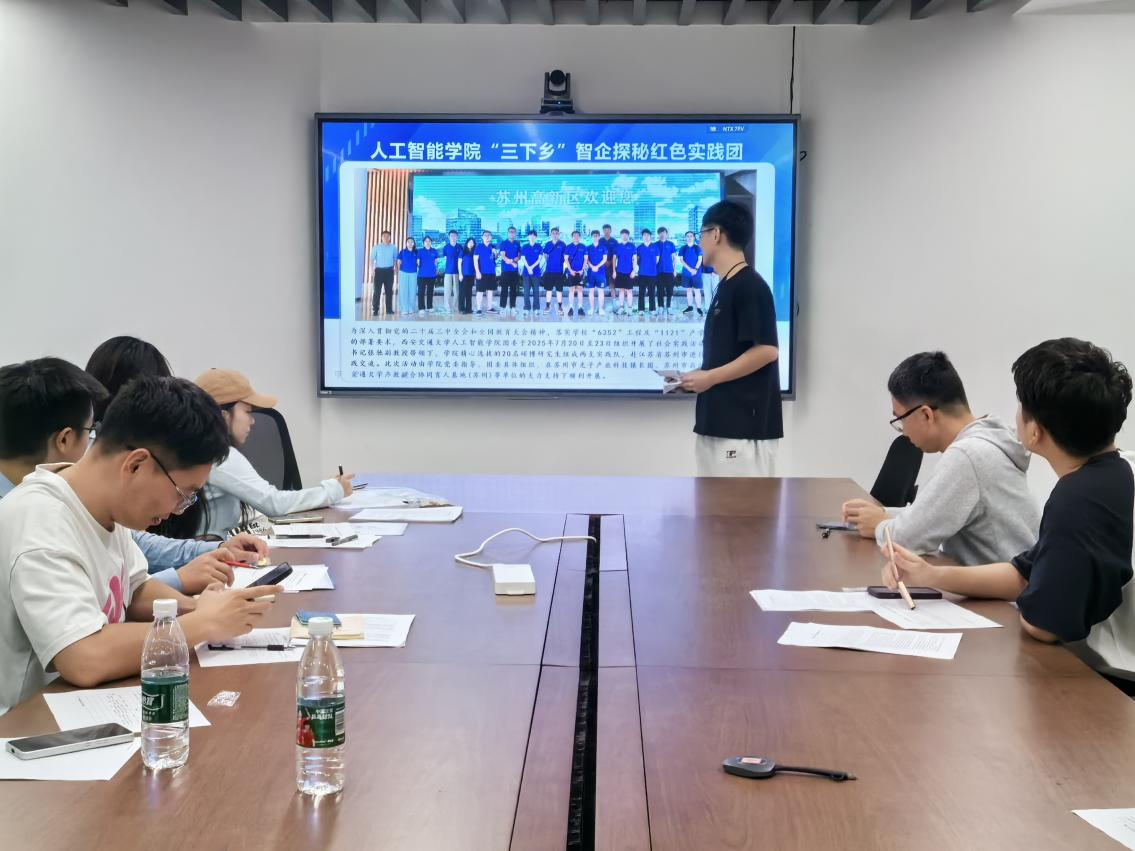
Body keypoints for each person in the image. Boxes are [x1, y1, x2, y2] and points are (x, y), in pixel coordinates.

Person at [0, 375, 281, 715]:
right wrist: (202, 624)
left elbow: (134, 591)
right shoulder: (41, 520)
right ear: (135, 464)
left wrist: (202, 609)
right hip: (27, 725)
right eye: (183, 494)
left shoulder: (102, 506)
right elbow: (84, 658)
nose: (178, 509)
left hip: (82, 708)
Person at [883, 339, 1135, 692]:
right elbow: (1023, 572)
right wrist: (930, 575)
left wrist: (1034, 599)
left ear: (1035, 430)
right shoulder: (1117, 470)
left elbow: (1043, 626)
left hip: (1104, 682)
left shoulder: (1077, 498)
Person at [83, 338, 269, 585]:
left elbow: (135, 572)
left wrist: (213, 552)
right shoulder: (54, 527)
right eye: (182, 493)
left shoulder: (111, 513)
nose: (175, 510)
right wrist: (182, 581)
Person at [842, 352, 1040, 565]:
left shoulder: (968, 456)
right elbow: (931, 515)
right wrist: (882, 513)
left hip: (1002, 587)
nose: (903, 431)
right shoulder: (987, 441)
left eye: (900, 420)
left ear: (926, 414)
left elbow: (908, 539)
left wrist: (878, 527)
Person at [680, 201, 782, 477]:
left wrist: (710, 377)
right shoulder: (726, 285)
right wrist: (697, 376)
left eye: (701, 234)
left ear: (716, 234)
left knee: (739, 506)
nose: (699, 242)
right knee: (711, 504)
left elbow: (767, 350)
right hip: (717, 424)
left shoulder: (750, 286)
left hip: (741, 429)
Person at [194, 368, 354, 537]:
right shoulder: (220, 457)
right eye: (248, 412)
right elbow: (273, 503)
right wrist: (333, 490)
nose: (252, 421)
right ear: (224, 416)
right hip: (208, 549)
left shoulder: (200, 450)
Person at [370, 230, 396, 318]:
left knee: (389, 291)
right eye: (384, 236)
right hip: (379, 271)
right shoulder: (376, 247)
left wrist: (395, 269)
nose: (386, 238)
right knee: (377, 291)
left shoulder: (393, 248)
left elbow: (395, 259)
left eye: (388, 236)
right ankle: (375, 310)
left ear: (390, 237)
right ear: (381, 237)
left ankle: (389, 309)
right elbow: (371, 259)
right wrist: (371, 270)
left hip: (389, 271)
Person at [634, 228, 659, 316]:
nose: (646, 236)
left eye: (648, 235)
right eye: (644, 235)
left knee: (652, 292)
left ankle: (652, 309)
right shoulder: (639, 248)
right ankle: (641, 309)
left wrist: (650, 266)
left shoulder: (655, 247)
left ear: (650, 236)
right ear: (642, 237)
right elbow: (636, 260)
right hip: (642, 274)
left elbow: (657, 260)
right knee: (641, 292)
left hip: (652, 274)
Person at [611, 229, 637, 317]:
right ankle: (621, 307)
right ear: (621, 236)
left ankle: (629, 308)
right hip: (619, 271)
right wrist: (614, 271)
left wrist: (634, 271)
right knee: (621, 290)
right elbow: (614, 259)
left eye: (626, 234)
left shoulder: (632, 246)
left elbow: (635, 259)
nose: (624, 236)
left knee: (629, 291)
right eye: (623, 234)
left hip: (629, 272)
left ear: (628, 236)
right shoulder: (617, 247)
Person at [679, 231, 705, 315]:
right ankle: (690, 307)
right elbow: (681, 260)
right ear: (685, 238)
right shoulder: (683, 248)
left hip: (696, 273)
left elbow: (700, 259)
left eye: (691, 236)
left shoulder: (697, 248)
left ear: (694, 237)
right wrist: (690, 269)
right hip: (686, 273)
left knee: (697, 290)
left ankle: (699, 308)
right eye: (687, 236)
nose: (689, 238)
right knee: (689, 290)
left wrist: (695, 269)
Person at [497, 226, 521, 317]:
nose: (512, 233)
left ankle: (513, 307)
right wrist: (512, 263)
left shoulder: (517, 243)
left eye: (513, 232)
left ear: (515, 233)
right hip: (506, 271)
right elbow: (503, 256)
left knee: (514, 290)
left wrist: (517, 258)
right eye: (510, 232)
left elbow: (519, 255)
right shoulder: (504, 243)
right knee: (504, 290)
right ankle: (502, 308)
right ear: (508, 233)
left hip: (514, 271)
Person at [543, 227, 567, 315]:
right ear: (551, 234)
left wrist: (559, 263)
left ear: (558, 234)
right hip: (549, 271)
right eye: (553, 233)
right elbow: (545, 255)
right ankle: (547, 306)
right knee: (548, 290)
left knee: (559, 290)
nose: (555, 235)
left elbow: (565, 257)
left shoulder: (562, 244)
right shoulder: (548, 244)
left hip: (559, 271)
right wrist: (550, 262)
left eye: (556, 233)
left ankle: (560, 306)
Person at [520, 230, 543, 318]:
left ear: (536, 237)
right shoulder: (524, 246)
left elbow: (539, 259)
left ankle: (536, 308)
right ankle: (527, 308)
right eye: (530, 235)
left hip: (536, 272)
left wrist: (532, 267)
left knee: (536, 291)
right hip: (526, 273)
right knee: (526, 291)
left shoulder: (539, 246)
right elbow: (523, 258)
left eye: (533, 235)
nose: (532, 237)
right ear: (528, 237)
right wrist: (528, 268)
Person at [474, 230, 497, 316]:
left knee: (490, 290)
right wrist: (477, 271)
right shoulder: (478, 247)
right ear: (482, 237)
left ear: (491, 237)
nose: (487, 237)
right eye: (485, 235)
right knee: (480, 291)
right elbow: (475, 260)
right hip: (481, 273)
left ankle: (489, 308)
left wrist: (495, 253)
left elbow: (495, 257)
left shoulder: (493, 247)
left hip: (491, 272)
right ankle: (478, 309)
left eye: (489, 235)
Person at [656, 226, 678, 316]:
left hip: (669, 271)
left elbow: (674, 258)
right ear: (658, 234)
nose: (662, 234)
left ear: (666, 233)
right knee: (660, 290)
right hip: (658, 271)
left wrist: (675, 269)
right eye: (660, 233)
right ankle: (660, 306)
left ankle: (669, 307)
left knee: (670, 290)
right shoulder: (655, 244)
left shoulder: (671, 244)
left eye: (663, 232)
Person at [585, 230, 608, 316]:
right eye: (594, 236)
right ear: (591, 237)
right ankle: (592, 308)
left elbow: (604, 259)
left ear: (599, 237)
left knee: (601, 291)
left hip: (600, 273)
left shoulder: (603, 248)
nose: (595, 237)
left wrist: (597, 267)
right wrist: (592, 267)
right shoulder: (588, 248)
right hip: (591, 273)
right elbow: (586, 260)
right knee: (591, 291)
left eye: (597, 235)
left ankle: (601, 309)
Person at [564, 230, 587, 317]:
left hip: (580, 272)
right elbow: (566, 259)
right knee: (571, 290)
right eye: (574, 236)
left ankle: (580, 308)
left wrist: (582, 269)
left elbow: (585, 259)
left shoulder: (583, 247)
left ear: (579, 237)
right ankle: (571, 308)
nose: (576, 237)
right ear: (572, 237)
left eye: (577, 235)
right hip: (571, 272)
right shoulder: (568, 247)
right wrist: (570, 270)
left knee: (580, 289)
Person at [395, 236, 419, 317]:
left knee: (412, 290)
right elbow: (398, 262)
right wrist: (399, 272)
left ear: (414, 243)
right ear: (406, 243)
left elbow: (418, 263)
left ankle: (411, 308)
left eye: (412, 242)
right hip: (403, 273)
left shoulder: (416, 252)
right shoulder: (402, 252)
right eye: (408, 242)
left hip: (413, 273)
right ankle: (404, 309)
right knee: (403, 291)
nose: (410, 243)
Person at [417, 235, 439, 316]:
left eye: (429, 241)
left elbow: (436, 262)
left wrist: (436, 270)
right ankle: (421, 308)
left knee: (430, 292)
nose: (427, 242)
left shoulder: (434, 251)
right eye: (426, 241)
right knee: (421, 292)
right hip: (421, 275)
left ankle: (430, 306)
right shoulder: (420, 251)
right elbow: (418, 262)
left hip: (431, 275)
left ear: (431, 242)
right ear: (423, 243)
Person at [442, 230, 462, 315]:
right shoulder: (446, 247)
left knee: (457, 290)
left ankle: (455, 307)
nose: (453, 237)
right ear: (449, 237)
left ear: (457, 237)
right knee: (447, 290)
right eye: (451, 236)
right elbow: (445, 259)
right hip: (448, 271)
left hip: (457, 271)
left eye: (455, 236)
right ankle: (447, 307)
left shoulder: (460, 247)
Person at [458, 237, 476, 315]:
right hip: (463, 275)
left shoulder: (474, 252)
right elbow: (459, 263)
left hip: (471, 275)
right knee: (462, 293)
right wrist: (460, 274)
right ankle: (461, 309)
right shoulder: (462, 252)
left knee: (469, 293)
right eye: (470, 242)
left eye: (472, 242)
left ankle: (469, 309)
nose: (471, 244)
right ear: (467, 243)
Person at [601, 224, 618, 298]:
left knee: (612, 284)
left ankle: (614, 301)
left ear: (610, 231)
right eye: (605, 230)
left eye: (608, 230)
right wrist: (604, 262)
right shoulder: (600, 241)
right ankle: (601, 303)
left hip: (612, 266)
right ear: (603, 231)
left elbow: (616, 254)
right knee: (600, 285)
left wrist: (610, 261)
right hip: (602, 266)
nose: (606, 231)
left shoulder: (614, 241)